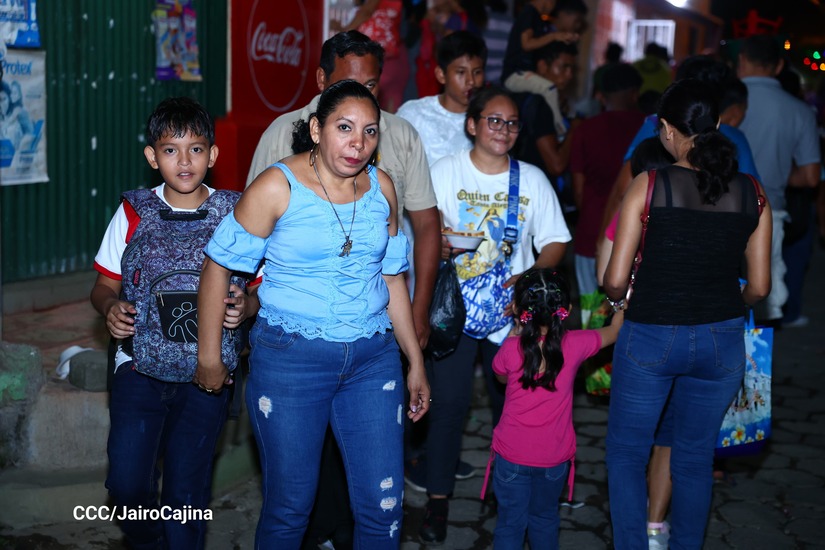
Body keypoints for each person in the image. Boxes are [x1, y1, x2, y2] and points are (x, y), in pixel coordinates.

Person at [197, 80, 430, 549]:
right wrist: (209, 357)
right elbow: (217, 266)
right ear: (317, 129)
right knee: (290, 509)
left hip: (373, 360)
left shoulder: (381, 188)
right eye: (344, 128)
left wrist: (416, 361)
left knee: (384, 508)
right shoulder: (277, 186)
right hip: (291, 360)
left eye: (369, 131)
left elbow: (391, 279)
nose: (357, 143)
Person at [603, 79, 772, 549]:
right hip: (721, 342)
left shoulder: (650, 185)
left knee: (626, 454)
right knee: (695, 460)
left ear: (666, 129)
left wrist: (618, 303)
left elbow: (615, 279)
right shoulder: (753, 192)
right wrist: (727, 304)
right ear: (717, 125)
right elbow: (759, 287)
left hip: (651, 335)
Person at [89, 97, 254, 549]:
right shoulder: (133, 212)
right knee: (126, 486)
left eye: (195, 149)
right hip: (138, 369)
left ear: (212, 154)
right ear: (152, 156)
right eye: (170, 150)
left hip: (208, 375)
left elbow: (259, 288)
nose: (184, 161)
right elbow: (103, 285)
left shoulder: (236, 215)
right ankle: (149, 540)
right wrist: (110, 307)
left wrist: (246, 306)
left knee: (186, 493)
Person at [418, 86, 571, 545]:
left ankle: (515, 499)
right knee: (448, 408)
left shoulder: (532, 180)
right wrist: (439, 244)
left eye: (512, 123)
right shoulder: (445, 171)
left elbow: (556, 241)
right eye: (493, 120)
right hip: (454, 314)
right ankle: (437, 501)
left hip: (514, 318)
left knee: (516, 410)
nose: (503, 130)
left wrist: (531, 279)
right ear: (472, 125)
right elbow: (422, 230)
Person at [247, 31, 440, 351]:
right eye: (348, 83)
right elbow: (251, 235)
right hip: (296, 323)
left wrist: (419, 309)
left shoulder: (401, 135)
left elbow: (426, 222)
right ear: (322, 79)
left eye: (370, 85)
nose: (359, 94)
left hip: (379, 314)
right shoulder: (281, 133)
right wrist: (251, 302)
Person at [488, 268, 622, 550]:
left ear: (517, 309)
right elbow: (614, 331)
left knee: (510, 524)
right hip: (554, 458)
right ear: (567, 310)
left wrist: (514, 332)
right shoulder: (576, 343)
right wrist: (621, 303)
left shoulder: (510, 350)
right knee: (545, 519)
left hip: (511, 455)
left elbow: (500, 378)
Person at [737, 34, 821, 326]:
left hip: (716, 208)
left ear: (742, 60)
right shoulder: (800, 111)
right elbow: (811, 176)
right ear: (779, 66)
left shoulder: (723, 101)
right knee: (762, 295)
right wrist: (775, 171)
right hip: (769, 212)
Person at [569, 62, 644, 299]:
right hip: (637, 238)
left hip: (591, 232)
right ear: (635, 94)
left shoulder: (585, 130)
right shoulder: (649, 128)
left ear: (602, 94)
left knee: (592, 312)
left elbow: (578, 192)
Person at [397, 29, 487, 165]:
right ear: (441, 75)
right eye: (461, 72)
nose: (471, 81)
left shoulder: (489, 119)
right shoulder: (413, 114)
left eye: (477, 72)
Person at [501, 0, 579, 138]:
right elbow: (526, 44)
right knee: (549, 88)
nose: (553, 7)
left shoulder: (537, 18)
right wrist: (554, 36)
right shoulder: (529, 13)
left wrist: (562, 37)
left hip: (523, 73)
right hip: (514, 74)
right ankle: (560, 130)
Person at [332, 0, 409, 113]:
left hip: (378, 60)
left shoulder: (373, 5)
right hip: (395, 58)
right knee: (391, 108)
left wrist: (344, 31)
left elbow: (366, 12)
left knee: (366, 104)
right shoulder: (394, 4)